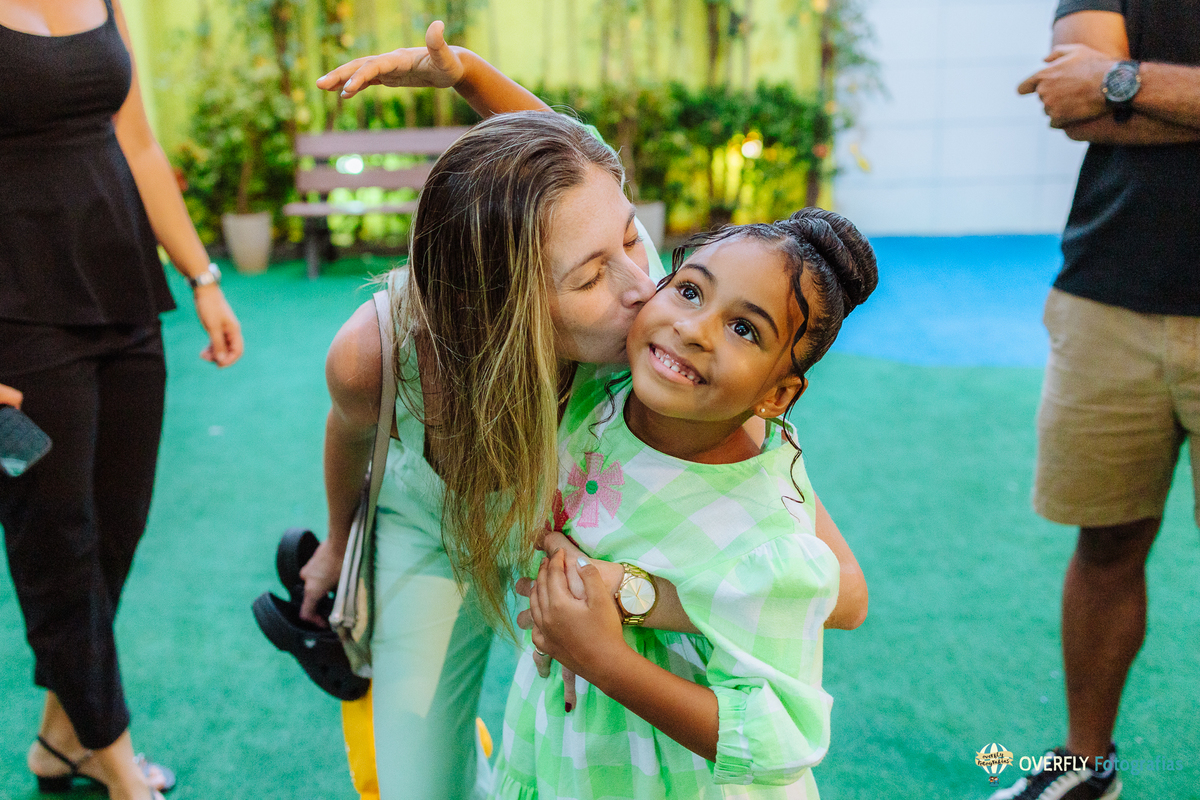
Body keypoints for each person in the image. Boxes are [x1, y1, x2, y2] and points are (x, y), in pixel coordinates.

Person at [306, 24, 867, 800]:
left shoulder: (666, 345)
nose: (649, 290)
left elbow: (843, 586)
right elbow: (351, 434)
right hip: (432, 527)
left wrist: (621, 601)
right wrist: (338, 544)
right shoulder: (376, 353)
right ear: (499, 307)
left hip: (566, 542)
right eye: (595, 273)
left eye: (634, 238)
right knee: (417, 781)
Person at [496, 208, 876, 799]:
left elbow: (780, 741)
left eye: (745, 329)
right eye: (691, 291)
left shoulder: (765, 537)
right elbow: (582, 168)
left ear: (777, 394)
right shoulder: (601, 386)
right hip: (565, 747)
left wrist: (605, 661)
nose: (695, 329)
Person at [0, 1, 244, 799]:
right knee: (56, 541)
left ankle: (58, 739)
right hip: (19, 315)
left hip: (123, 290)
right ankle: (117, 765)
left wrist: (202, 277)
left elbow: (137, 143)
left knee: (116, 526)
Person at [992, 3, 1200, 799]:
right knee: (1106, 547)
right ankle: (1087, 768)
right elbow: (1071, 104)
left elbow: (1100, 91)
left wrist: (1123, 84)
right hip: (1108, 294)